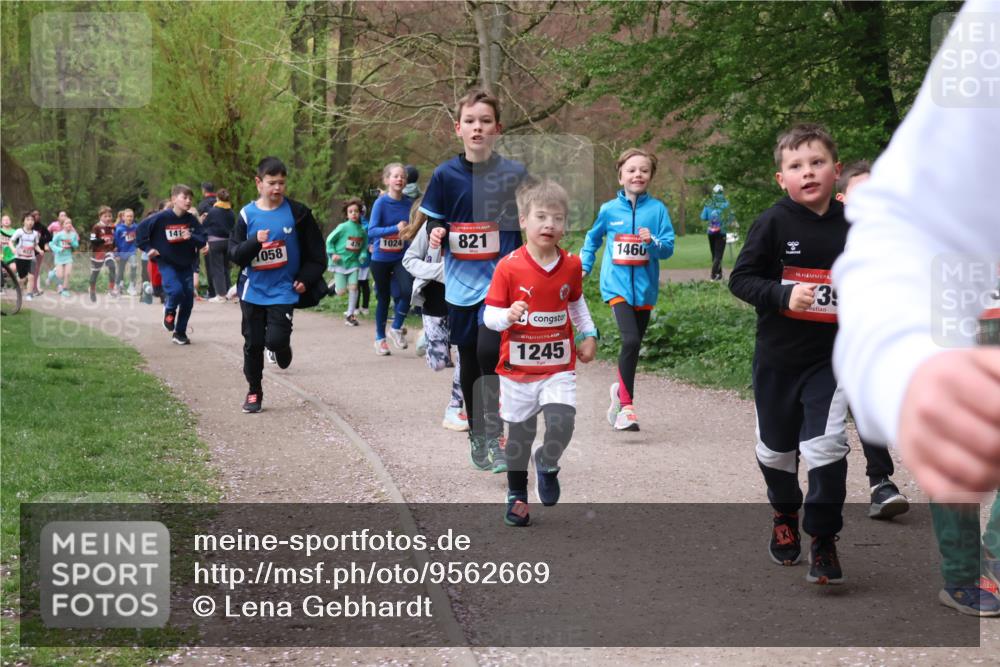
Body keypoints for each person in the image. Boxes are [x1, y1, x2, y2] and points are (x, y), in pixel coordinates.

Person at [832, 1, 1000, 613]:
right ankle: (964, 571)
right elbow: (905, 225)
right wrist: (908, 369)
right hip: (965, 326)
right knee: (965, 443)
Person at [729, 123, 850, 585]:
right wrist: (782, 294)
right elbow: (741, 279)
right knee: (776, 452)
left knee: (826, 445)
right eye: (796, 166)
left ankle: (822, 537)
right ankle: (784, 511)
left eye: (817, 162)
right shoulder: (773, 222)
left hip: (833, 360)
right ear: (781, 179)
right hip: (778, 359)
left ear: (835, 170)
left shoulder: (857, 226)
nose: (808, 172)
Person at [422, 88, 527, 473]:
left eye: (485, 121)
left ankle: (497, 436)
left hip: (502, 283)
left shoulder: (514, 173)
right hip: (462, 284)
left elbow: (532, 217)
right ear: (458, 128)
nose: (477, 127)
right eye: (470, 121)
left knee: (490, 355)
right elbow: (435, 218)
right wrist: (436, 231)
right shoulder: (445, 175)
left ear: (497, 128)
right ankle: (478, 435)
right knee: (469, 359)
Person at [483, 177, 598, 526]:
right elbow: (489, 317)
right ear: (523, 221)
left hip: (558, 365)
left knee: (563, 420)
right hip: (518, 370)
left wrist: (589, 333)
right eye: (541, 217)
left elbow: (575, 302)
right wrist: (507, 315)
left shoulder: (572, 265)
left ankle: (548, 461)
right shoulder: (509, 266)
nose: (550, 224)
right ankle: (517, 495)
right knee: (519, 436)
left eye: (558, 218)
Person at [834, 161, 911, 520]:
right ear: (841, 199)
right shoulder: (824, 236)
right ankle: (789, 485)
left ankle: (881, 483)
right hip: (814, 342)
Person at [580, 148, 675, 432]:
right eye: (631, 170)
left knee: (632, 348)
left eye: (644, 170)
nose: (637, 175)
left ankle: (619, 396)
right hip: (616, 286)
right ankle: (627, 407)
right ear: (620, 175)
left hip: (645, 290)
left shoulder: (657, 210)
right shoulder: (609, 210)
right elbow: (592, 239)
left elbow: (668, 249)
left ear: (650, 176)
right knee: (631, 341)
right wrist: (585, 265)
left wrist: (653, 241)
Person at [229, 156, 326, 413]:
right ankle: (254, 391)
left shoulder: (298, 213)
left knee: (274, 340)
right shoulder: (246, 215)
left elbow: (318, 255)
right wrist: (254, 243)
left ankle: (281, 347)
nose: (277, 188)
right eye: (272, 183)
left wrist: (305, 279)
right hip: (253, 290)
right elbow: (235, 254)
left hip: (284, 290)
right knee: (253, 344)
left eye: (281, 183)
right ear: (258, 182)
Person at [401, 198, 468, 432]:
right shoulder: (429, 228)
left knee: (464, 355)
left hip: (462, 301)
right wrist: (439, 271)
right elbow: (408, 260)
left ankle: (454, 407)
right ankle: (426, 337)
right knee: (439, 363)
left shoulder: (471, 226)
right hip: (433, 300)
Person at [135, 185, 206, 345]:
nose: (188, 201)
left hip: (186, 264)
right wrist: (148, 249)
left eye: (190, 198)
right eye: (184, 197)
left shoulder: (191, 220)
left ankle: (179, 333)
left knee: (188, 301)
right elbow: (140, 233)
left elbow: (202, 240)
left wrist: (191, 237)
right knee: (176, 291)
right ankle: (170, 309)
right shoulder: (160, 218)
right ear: (174, 199)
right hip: (167, 263)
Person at [367, 163, 414, 355]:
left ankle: (396, 328)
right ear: (386, 180)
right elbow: (372, 231)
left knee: (408, 291)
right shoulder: (381, 203)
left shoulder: (410, 203)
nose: (399, 179)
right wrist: (395, 228)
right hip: (381, 257)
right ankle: (380, 338)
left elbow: (414, 227)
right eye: (395, 176)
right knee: (384, 298)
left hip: (402, 256)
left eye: (402, 176)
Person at [326, 197, 369, 326]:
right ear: (346, 214)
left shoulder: (362, 230)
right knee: (341, 292)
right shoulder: (342, 227)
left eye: (356, 211)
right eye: (350, 211)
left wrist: (362, 255)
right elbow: (329, 240)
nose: (353, 214)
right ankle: (334, 285)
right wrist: (333, 253)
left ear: (360, 213)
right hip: (340, 263)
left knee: (354, 287)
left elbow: (363, 246)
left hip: (353, 263)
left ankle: (350, 315)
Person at [203, 188, 236, 302]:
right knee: (226, 268)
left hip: (215, 242)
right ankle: (228, 293)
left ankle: (221, 295)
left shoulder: (213, 211)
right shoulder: (231, 212)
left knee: (217, 269)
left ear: (217, 198)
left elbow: (205, 225)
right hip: (228, 242)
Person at [701, 184, 735, 281]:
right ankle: (713, 275)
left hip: (711, 232)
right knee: (718, 255)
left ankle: (718, 276)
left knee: (714, 254)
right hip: (722, 231)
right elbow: (731, 217)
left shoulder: (709, 203)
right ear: (722, 192)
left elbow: (703, 217)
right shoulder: (726, 203)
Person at [10, 212, 42, 300]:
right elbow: (10, 241)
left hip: (31, 258)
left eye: (32, 220)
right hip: (20, 258)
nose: (30, 222)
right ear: (23, 222)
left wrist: (40, 250)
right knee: (22, 279)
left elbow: (35, 245)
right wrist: (13, 248)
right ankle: (20, 288)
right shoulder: (19, 231)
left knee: (31, 277)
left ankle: (29, 294)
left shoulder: (35, 233)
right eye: (27, 220)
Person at [88, 205, 117, 302]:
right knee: (95, 274)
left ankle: (111, 290)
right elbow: (92, 240)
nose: (108, 218)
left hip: (108, 252)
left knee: (112, 266)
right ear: (100, 217)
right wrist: (102, 240)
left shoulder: (113, 227)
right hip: (98, 253)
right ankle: (92, 290)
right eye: (105, 216)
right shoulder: (96, 227)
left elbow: (114, 240)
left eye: (109, 216)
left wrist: (115, 247)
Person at [50, 217, 79, 296]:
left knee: (68, 274)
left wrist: (72, 242)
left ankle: (65, 290)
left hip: (68, 257)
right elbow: (51, 244)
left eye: (70, 223)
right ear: (63, 225)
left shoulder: (73, 235)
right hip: (59, 257)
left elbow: (76, 245)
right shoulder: (59, 234)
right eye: (67, 223)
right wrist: (59, 249)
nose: (69, 224)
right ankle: (53, 273)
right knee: (60, 275)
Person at [114, 208, 139, 295]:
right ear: (123, 217)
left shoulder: (136, 227)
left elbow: (139, 237)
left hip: (131, 251)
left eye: (131, 216)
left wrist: (138, 245)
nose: (130, 218)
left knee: (134, 265)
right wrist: (116, 254)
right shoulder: (119, 228)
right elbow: (115, 242)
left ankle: (131, 286)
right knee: (121, 270)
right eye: (128, 216)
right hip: (121, 252)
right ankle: (117, 286)